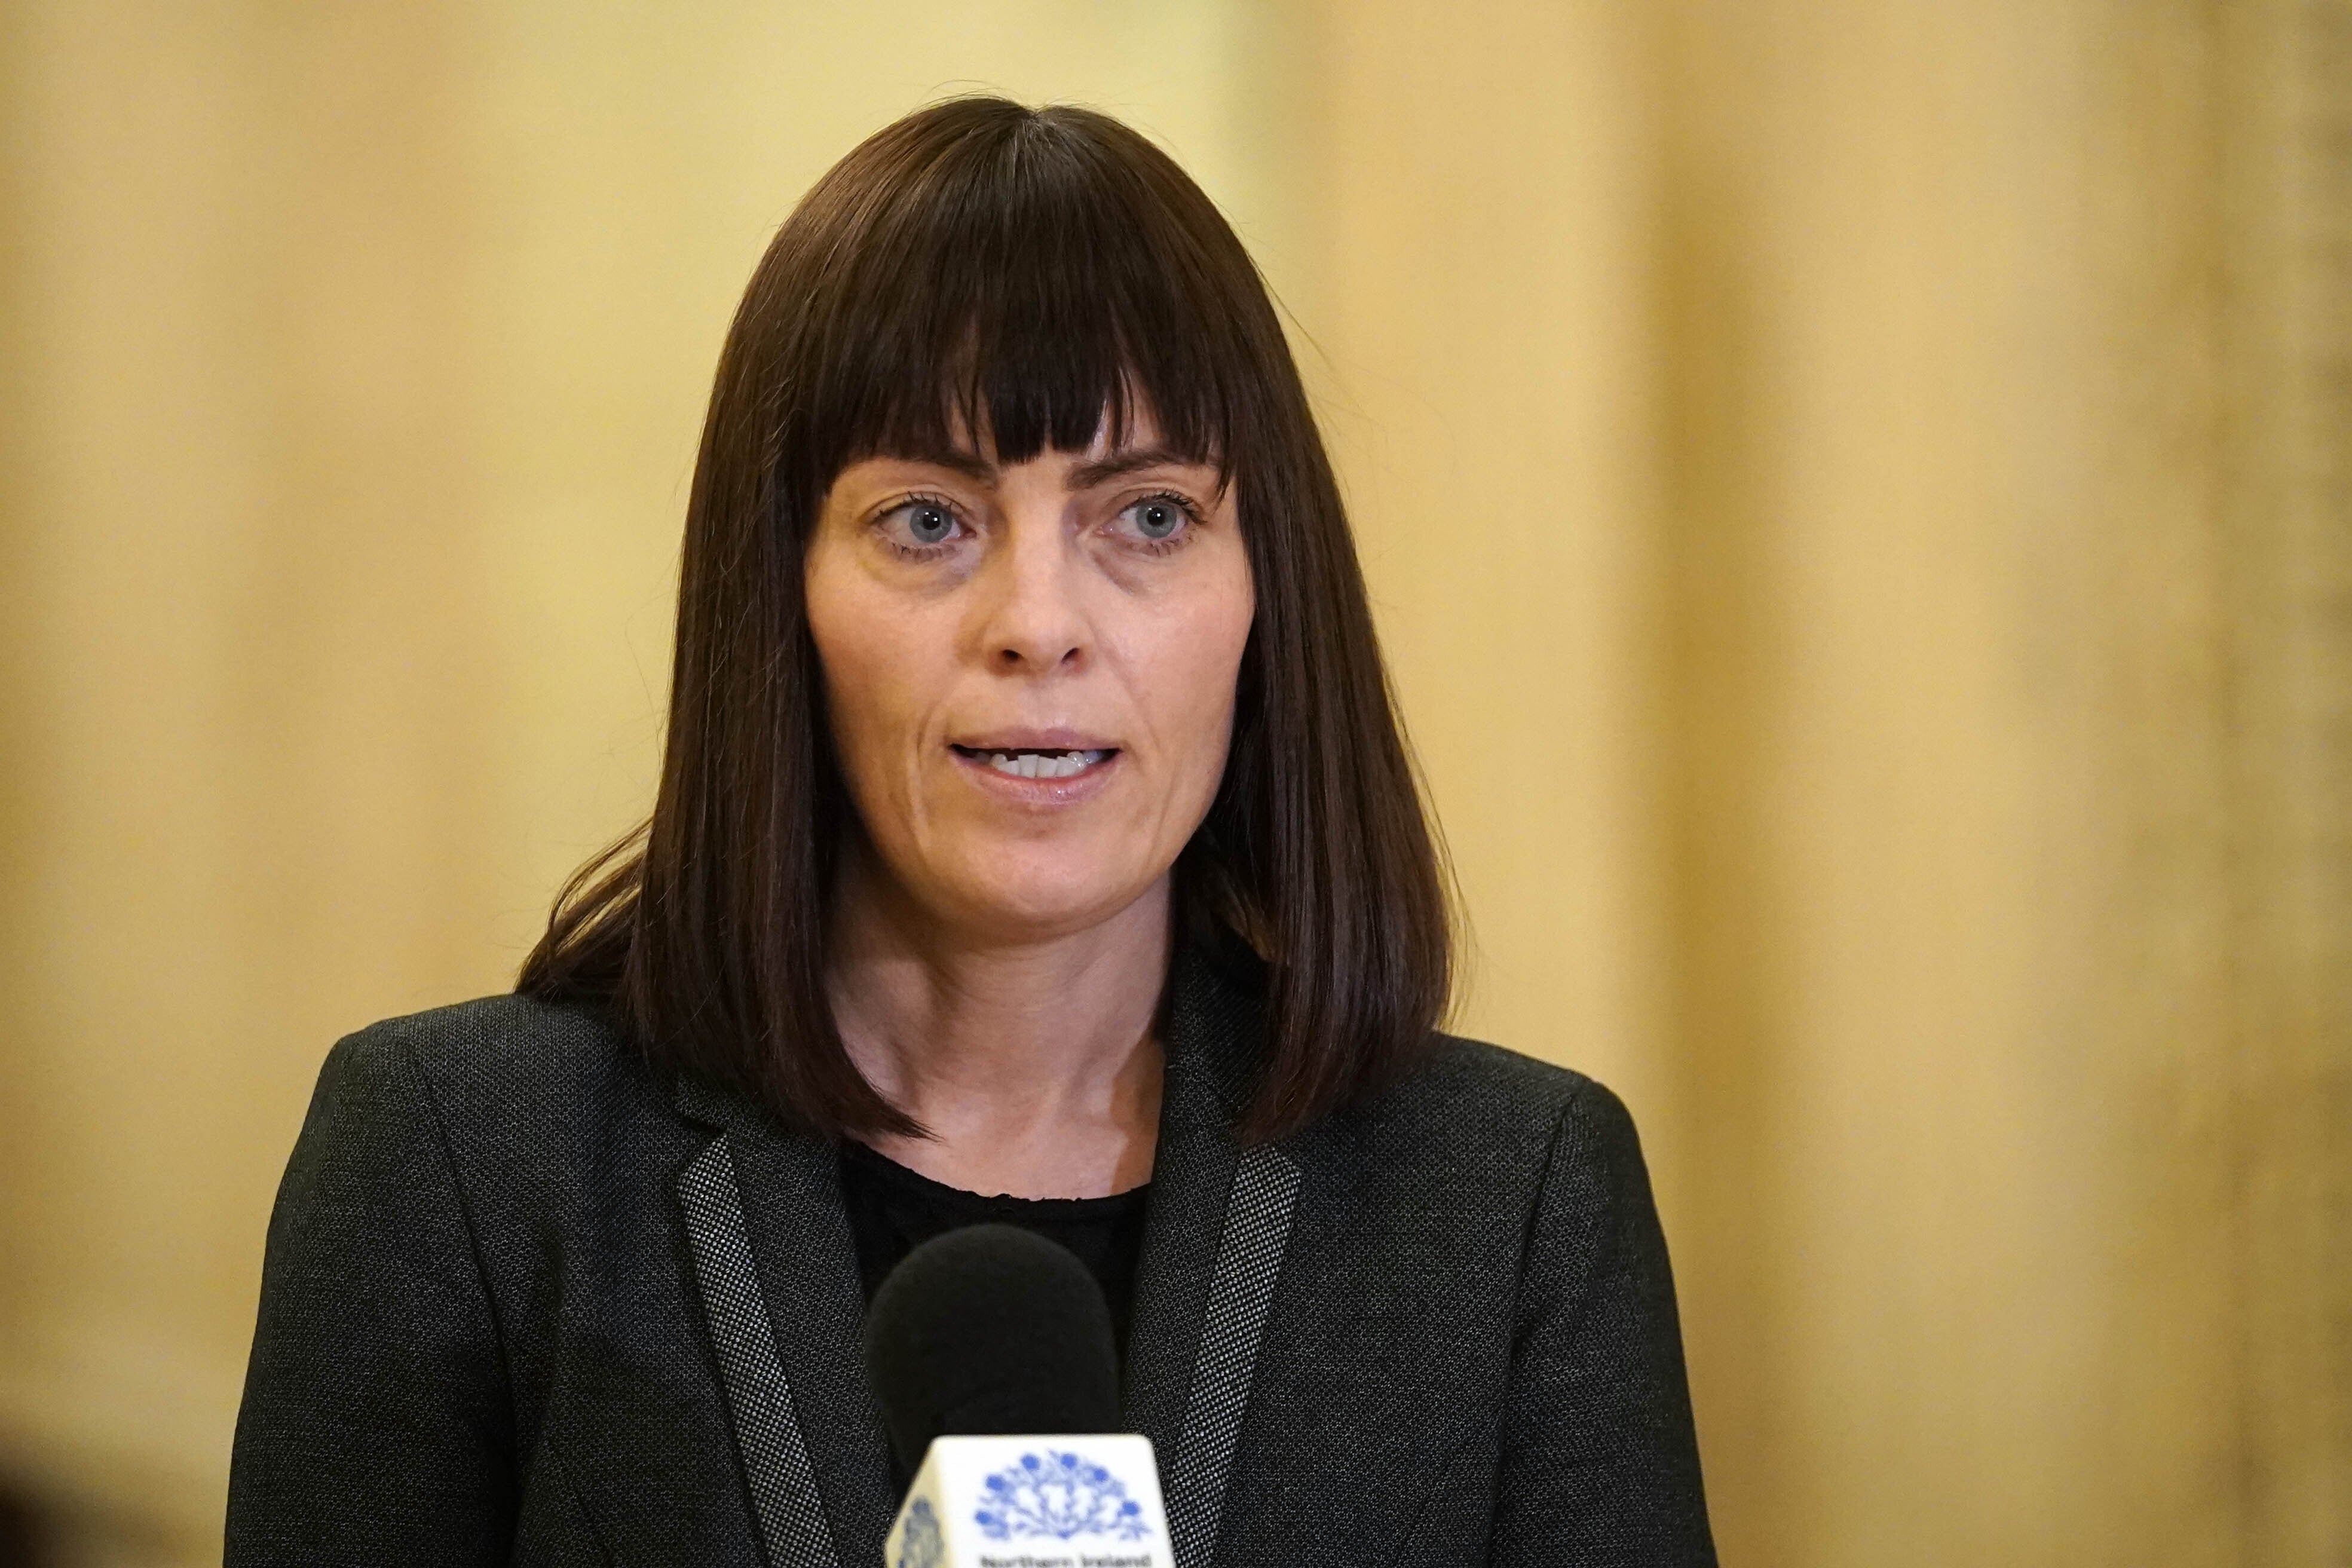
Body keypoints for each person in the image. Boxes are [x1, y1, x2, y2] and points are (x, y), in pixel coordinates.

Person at [225, 97, 1716, 1566]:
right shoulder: (460, 1161)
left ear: (1269, 597)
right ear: (780, 596)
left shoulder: (1512, 1194)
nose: (1039, 626)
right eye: (929, 520)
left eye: (1146, 517)